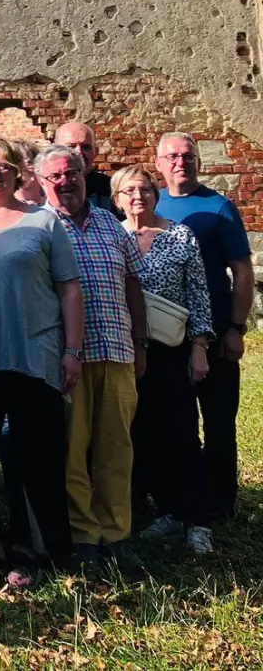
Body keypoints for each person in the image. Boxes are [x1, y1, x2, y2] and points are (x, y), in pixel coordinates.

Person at [0, 138, 82, 583]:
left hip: (34, 354)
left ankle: (34, 549)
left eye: (4, 165)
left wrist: (72, 351)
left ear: (18, 173)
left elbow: (68, 288)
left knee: (36, 458)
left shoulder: (44, 223)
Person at [38, 144, 149, 571]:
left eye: (73, 174)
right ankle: (84, 535)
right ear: (43, 183)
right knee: (72, 451)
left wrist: (140, 344)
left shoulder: (109, 222)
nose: (66, 182)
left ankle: (116, 534)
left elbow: (134, 285)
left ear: (85, 174)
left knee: (116, 448)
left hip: (119, 351)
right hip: (70, 358)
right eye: (56, 177)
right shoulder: (42, 225)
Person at [114, 165, 215, 554]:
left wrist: (200, 347)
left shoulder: (179, 235)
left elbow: (199, 294)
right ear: (117, 198)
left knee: (183, 433)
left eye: (144, 189)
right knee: (139, 434)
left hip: (171, 350)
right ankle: (167, 511)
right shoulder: (113, 236)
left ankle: (197, 520)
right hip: (124, 350)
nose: (137, 196)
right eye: (129, 191)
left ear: (156, 195)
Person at [153, 132, 253, 527]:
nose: (181, 162)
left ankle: (220, 502)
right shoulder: (150, 203)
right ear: (159, 163)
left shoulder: (219, 208)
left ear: (198, 161)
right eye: (172, 156)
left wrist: (237, 328)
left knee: (218, 420)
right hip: (167, 335)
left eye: (188, 155)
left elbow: (242, 271)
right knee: (174, 422)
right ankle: (176, 499)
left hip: (215, 332)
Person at [54, 121, 116, 216]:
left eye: (86, 147)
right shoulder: (44, 189)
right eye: (71, 146)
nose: (79, 152)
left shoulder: (110, 189)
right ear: (55, 151)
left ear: (95, 152)